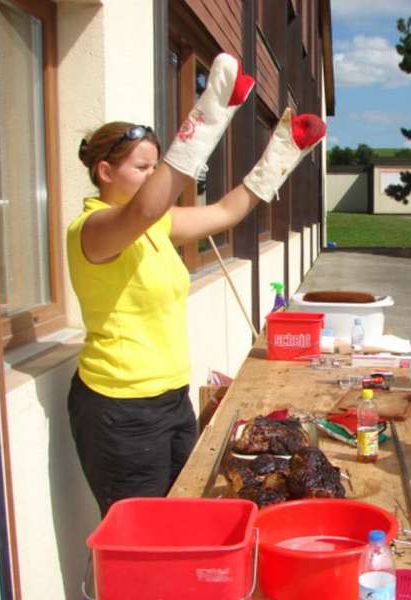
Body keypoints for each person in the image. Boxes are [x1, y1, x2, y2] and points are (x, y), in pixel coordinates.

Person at [67, 53, 325, 516]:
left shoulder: (156, 226)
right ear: (105, 172)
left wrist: (282, 153)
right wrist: (209, 115)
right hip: (119, 409)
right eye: (141, 169)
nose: (152, 177)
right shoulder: (92, 229)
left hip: (170, 397)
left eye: (154, 167)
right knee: (142, 533)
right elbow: (144, 208)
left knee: (184, 512)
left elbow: (226, 212)